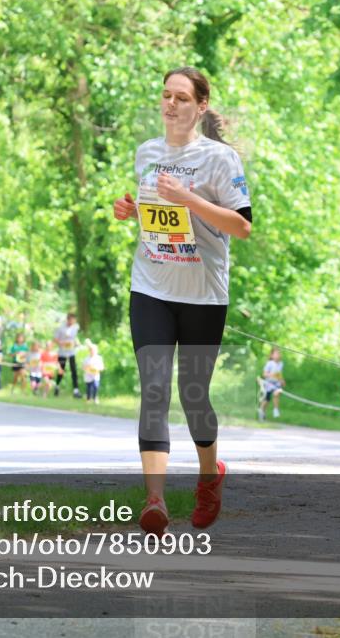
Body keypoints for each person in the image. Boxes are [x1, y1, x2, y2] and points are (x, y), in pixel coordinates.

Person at [112, 66, 251, 536]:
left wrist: (188, 198)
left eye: (182, 98)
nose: (171, 104)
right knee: (153, 390)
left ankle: (210, 476)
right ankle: (154, 500)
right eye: (166, 95)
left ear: (201, 106)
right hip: (150, 285)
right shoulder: (146, 153)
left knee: (193, 396)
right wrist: (133, 212)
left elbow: (241, 227)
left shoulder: (220, 160)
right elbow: (158, 217)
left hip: (203, 295)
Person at [54, 313, 82, 398]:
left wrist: (77, 343)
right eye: (71, 320)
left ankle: (76, 390)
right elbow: (55, 339)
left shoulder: (75, 327)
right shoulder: (60, 328)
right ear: (68, 319)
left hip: (71, 352)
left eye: (74, 320)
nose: (72, 322)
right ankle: (57, 386)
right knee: (61, 370)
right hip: (62, 352)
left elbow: (74, 338)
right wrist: (61, 343)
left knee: (74, 370)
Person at [258, 348, 285, 421]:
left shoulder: (281, 364)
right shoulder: (269, 363)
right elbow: (264, 374)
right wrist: (272, 375)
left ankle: (276, 409)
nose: (278, 355)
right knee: (267, 399)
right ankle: (261, 411)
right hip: (269, 383)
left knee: (277, 393)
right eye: (276, 353)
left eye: (279, 353)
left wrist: (282, 380)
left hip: (276, 383)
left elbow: (279, 374)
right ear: (272, 355)